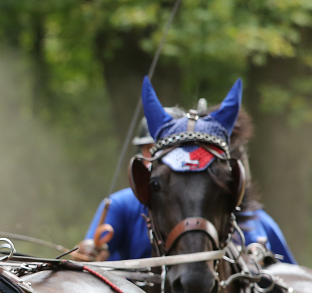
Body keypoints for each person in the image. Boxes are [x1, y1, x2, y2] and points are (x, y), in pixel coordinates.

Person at [75, 110, 296, 264]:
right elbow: (94, 249)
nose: (159, 159)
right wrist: (90, 251)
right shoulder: (120, 205)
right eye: (150, 150)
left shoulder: (236, 210)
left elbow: (283, 275)